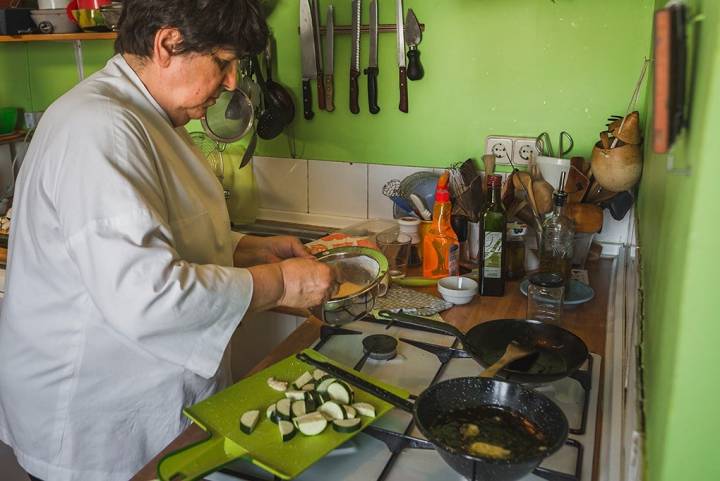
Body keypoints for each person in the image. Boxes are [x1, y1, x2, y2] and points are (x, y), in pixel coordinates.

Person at [0, 1, 337, 480]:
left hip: (141, 403)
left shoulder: (149, 114)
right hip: (96, 424)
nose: (232, 82)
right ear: (166, 44)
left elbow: (160, 226)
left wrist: (243, 248)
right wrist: (279, 284)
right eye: (222, 62)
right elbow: (148, 294)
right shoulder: (100, 128)